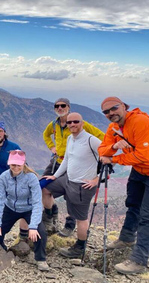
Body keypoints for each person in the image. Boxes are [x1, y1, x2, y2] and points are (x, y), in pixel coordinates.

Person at [98, 96, 149, 274]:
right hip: (139, 171)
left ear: (124, 106)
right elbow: (102, 149)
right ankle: (126, 238)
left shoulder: (140, 122)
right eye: (106, 112)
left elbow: (144, 155)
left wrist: (114, 158)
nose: (111, 113)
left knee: (148, 216)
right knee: (132, 205)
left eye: (114, 108)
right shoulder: (114, 127)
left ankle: (139, 260)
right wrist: (114, 146)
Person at [41, 97, 104, 236]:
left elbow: (101, 137)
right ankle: (50, 215)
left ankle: (70, 224)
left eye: (63, 106)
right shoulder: (53, 125)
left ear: (68, 107)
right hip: (59, 162)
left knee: (72, 195)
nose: (60, 108)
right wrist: (52, 147)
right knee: (43, 185)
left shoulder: (81, 124)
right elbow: (46, 135)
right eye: (57, 106)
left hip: (76, 166)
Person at [0, 150, 49, 272]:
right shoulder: (4, 177)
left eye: (18, 165)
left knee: (40, 232)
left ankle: (40, 259)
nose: (15, 167)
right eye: (13, 165)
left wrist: (32, 226)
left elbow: (37, 202)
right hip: (10, 208)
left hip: (29, 209)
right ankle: (3, 251)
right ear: (9, 163)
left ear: (24, 164)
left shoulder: (31, 178)